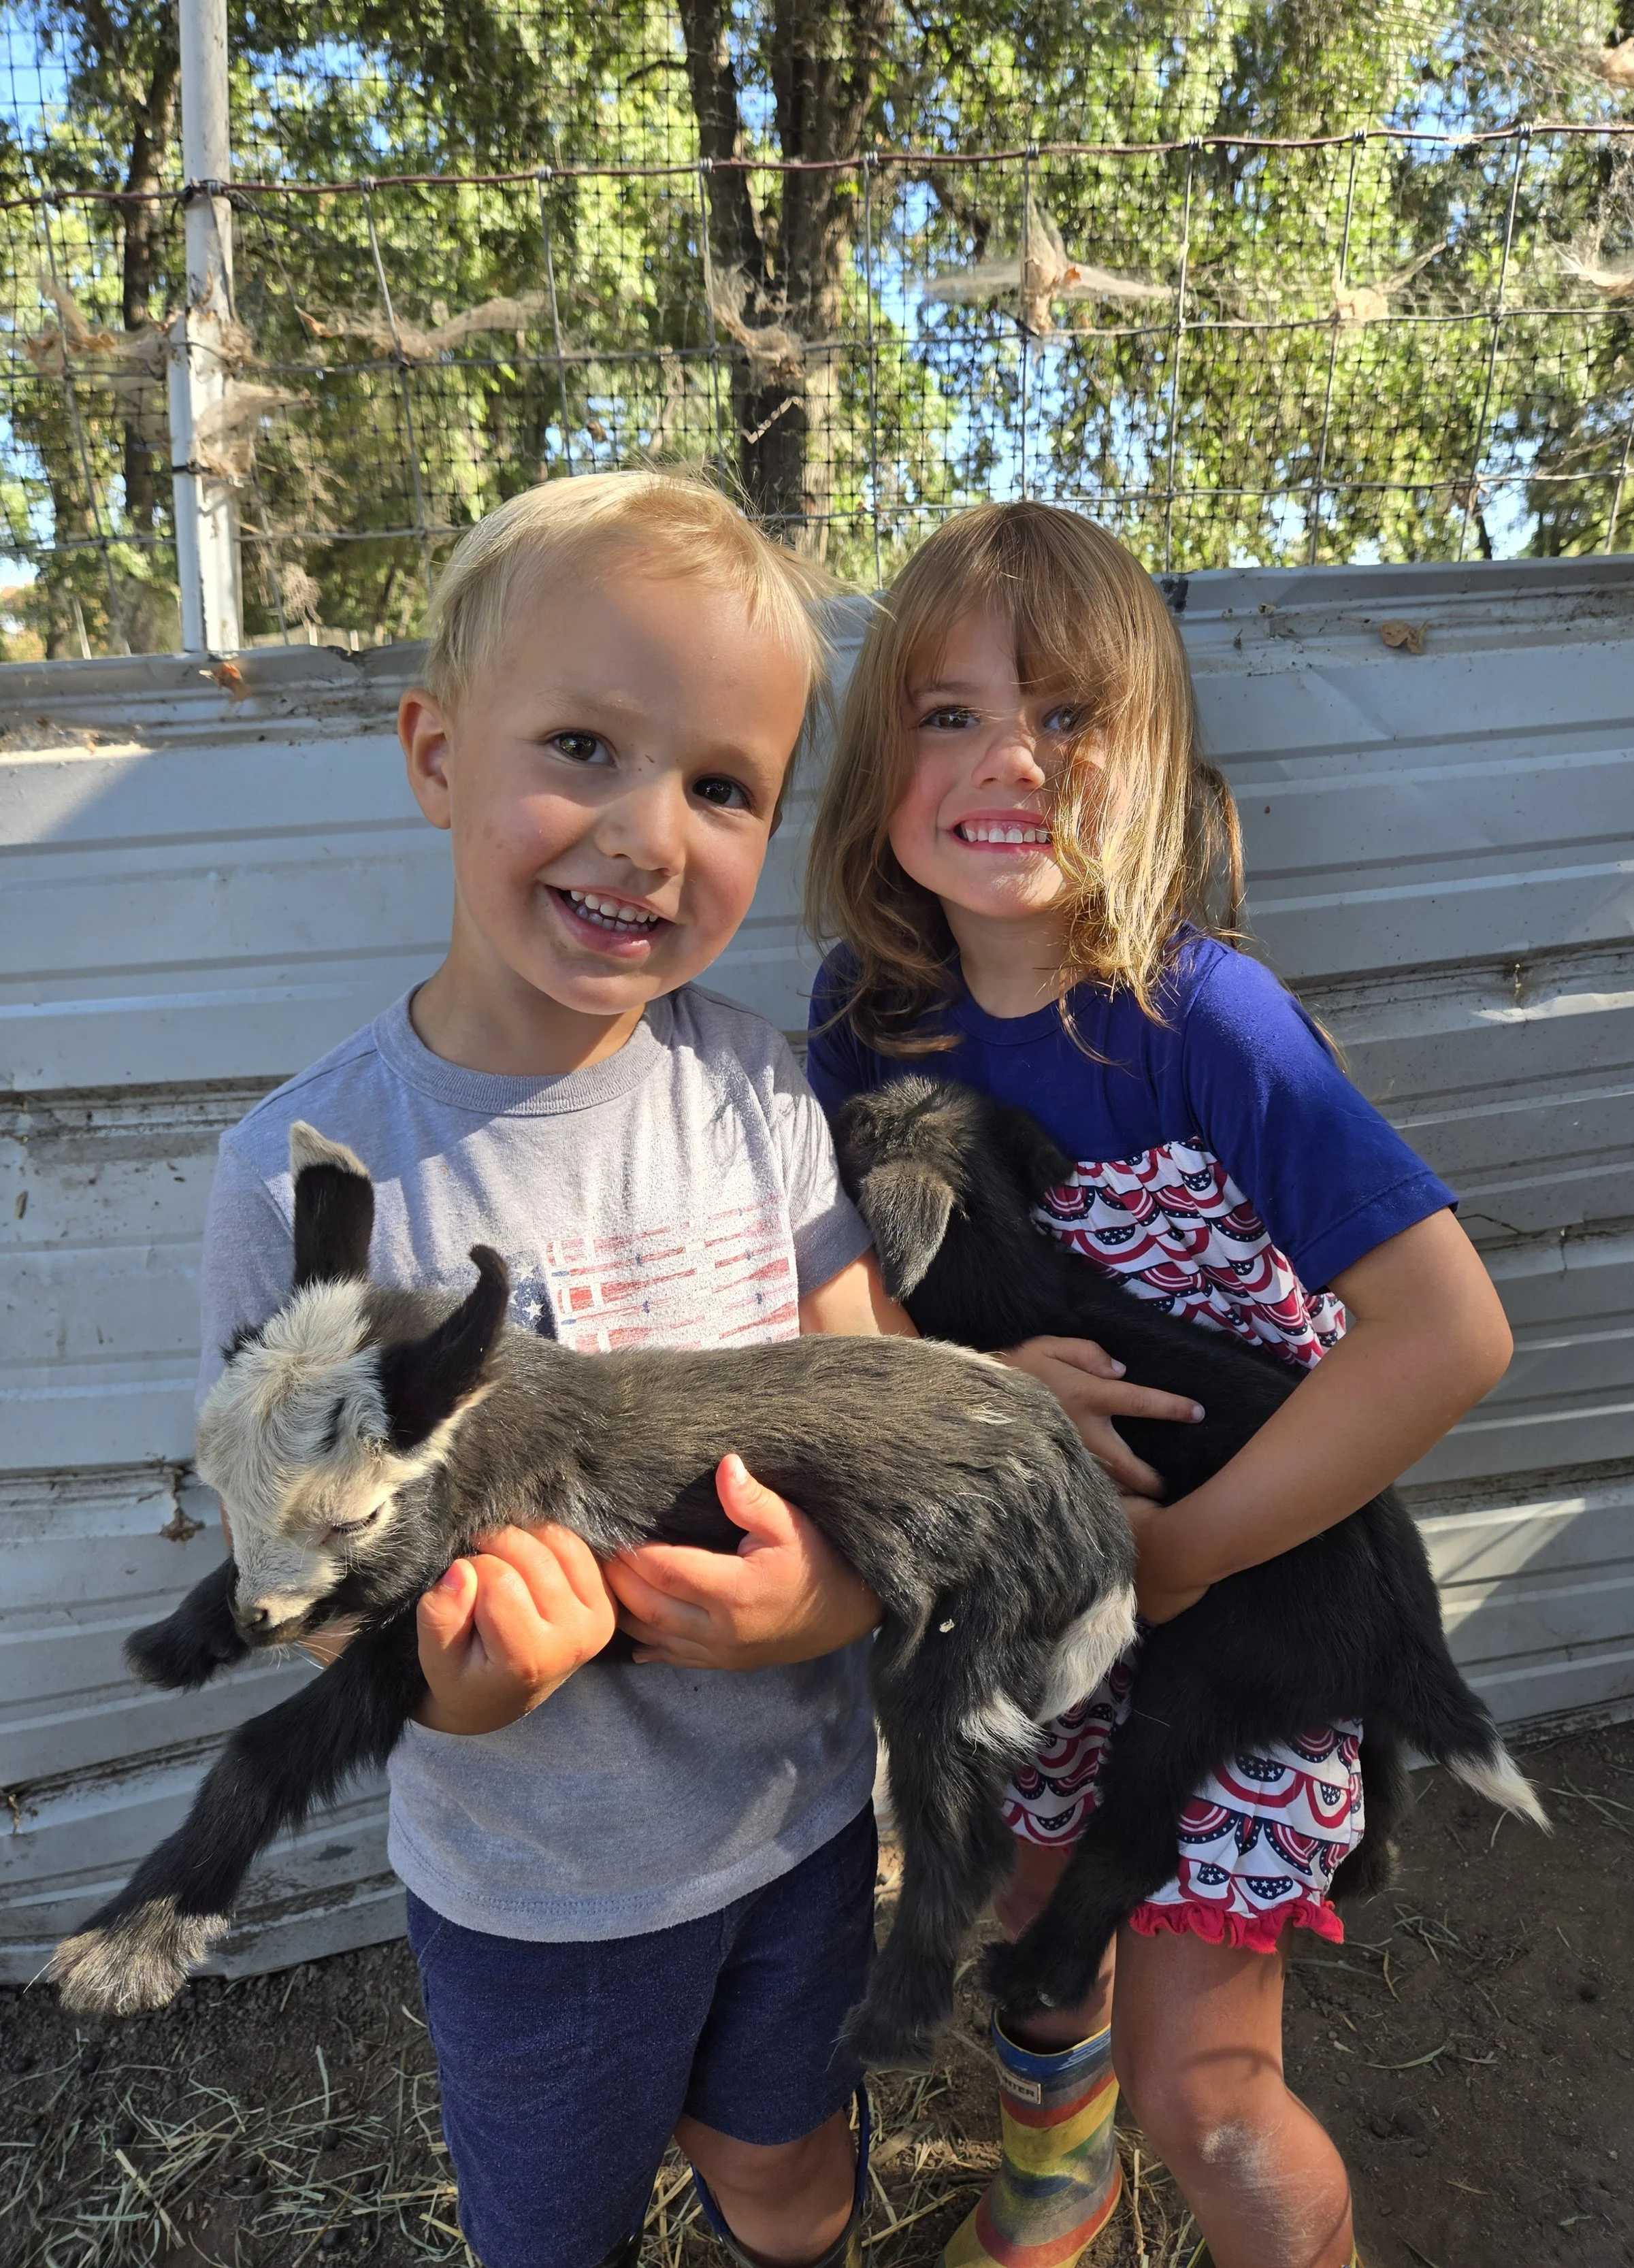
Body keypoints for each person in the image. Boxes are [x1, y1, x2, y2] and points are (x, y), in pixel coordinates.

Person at [197, 471, 911, 2268]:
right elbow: (299, 1577)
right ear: (436, 753)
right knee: (553, 2224)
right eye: (584, 744)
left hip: (801, 1824)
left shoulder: (758, 1091)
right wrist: (450, 1687)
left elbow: (878, 1416)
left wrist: (825, 1598)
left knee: (786, 2172)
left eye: (721, 785)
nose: (647, 833)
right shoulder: (303, 1179)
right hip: (538, 1900)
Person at [804, 502, 1514, 2268]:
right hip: (1023, 1603)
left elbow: (1443, 1331)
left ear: (1153, 752)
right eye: (947, 712)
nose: (1008, 761)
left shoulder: (1205, 1021)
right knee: (1031, 1906)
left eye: (1065, 713)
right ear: (877, 756)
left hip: (1239, 1602)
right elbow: (841, 1303)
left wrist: (1183, 1553)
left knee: (1206, 2087)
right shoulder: (857, 1016)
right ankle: (1057, 2169)